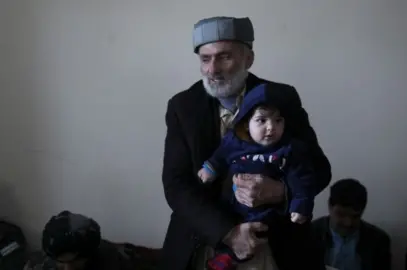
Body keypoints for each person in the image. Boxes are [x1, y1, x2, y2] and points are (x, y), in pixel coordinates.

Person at [161, 16, 332, 270]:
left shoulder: (283, 98)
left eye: (224, 57)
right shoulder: (182, 106)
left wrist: (281, 191)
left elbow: (319, 169)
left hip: (276, 247)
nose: (212, 69)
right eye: (205, 59)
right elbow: (176, 185)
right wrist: (227, 232)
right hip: (203, 241)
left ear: (248, 59)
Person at [197, 83, 317, 269]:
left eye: (278, 121)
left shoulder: (289, 149)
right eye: (262, 121)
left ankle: (235, 258)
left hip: (267, 214)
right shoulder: (235, 142)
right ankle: (226, 255)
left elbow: (303, 179)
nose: (271, 128)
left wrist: (299, 204)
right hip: (233, 207)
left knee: (262, 230)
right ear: (246, 123)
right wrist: (209, 169)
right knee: (228, 223)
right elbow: (220, 157)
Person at [311, 179, 391, 270]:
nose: (348, 223)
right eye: (341, 214)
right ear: (330, 206)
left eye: (355, 216)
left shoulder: (378, 240)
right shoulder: (309, 234)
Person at [23, 210, 135, 270]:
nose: (68, 269)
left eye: (75, 262)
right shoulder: (39, 263)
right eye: (61, 262)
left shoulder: (112, 262)